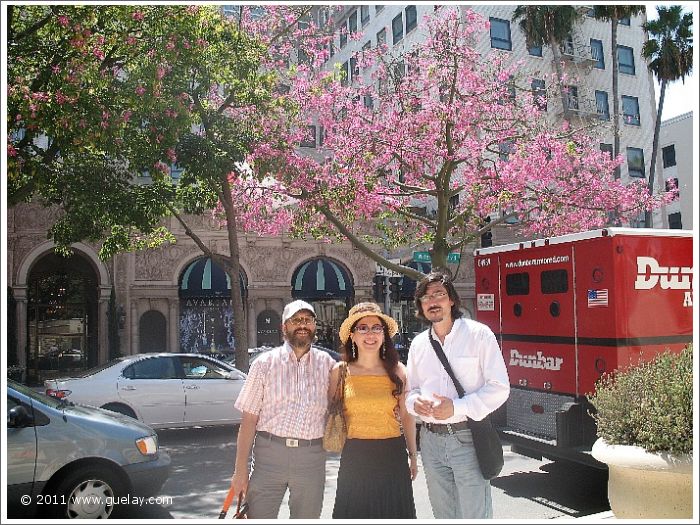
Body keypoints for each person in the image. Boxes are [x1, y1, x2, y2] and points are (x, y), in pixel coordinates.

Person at [405, 271, 510, 519]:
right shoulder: (419, 344)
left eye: (439, 294)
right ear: (421, 305)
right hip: (430, 442)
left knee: (474, 515)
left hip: (467, 438)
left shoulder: (478, 334)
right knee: (444, 515)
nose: (433, 301)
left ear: (451, 299)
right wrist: (414, 404)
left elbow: (499, 387)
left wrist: (457, 407)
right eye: (426, 297)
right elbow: (411, 390)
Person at [230, 300, 336, 519]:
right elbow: (248, 420)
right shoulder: (264, 364)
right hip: (269, 457)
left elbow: (340, 409)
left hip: (311, 457)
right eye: (296, 320)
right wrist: (240, 470)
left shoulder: (327, 364)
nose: (303, 325)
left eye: (308, 320)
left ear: (315, 326)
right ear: (284, 327)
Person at [330, 302, 418, 519]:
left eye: (376, 328)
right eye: (363, 328)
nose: (370, 334)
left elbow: (406, 416)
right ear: (352, 335)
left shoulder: (398, 371)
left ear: (384, 334)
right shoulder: (339, 372)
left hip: (392, 455)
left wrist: (413, 455)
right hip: (355, 456)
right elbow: (331, 413)